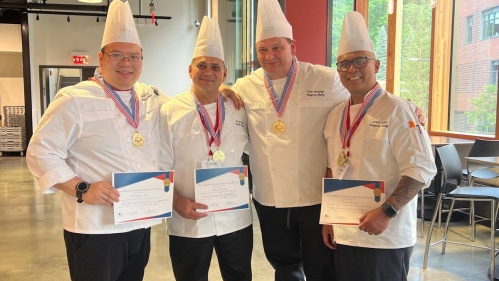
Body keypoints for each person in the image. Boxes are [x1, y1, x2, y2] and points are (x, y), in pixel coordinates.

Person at [25, 1, 169, 280]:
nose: (126, 63)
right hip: (96, 227)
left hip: (139, 219)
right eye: (117, 55)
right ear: (101, 58)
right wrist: (81, 188)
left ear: (142, 60)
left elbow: (186, 110)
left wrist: (224, 92)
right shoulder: (75, 99)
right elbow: (40, 152)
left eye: (134, 56)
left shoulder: (150, 96)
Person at [321, 11, 437, 281]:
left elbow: (421, 169)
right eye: (344, 64)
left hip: (385, 236)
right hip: (344, 231)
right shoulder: (336, 114)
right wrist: (328, 218)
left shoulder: (398, 109)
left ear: (377, 65)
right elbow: (332, 167)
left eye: (360, 60)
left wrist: (386, 212)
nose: (352, 69)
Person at [158, 16, 252, 281]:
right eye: (201, 66)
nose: (208, 72)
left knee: (240, 276)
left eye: (215, 67)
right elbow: (159, 164)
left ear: (224, 73)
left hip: (235, 219)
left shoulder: (238, 107)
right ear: (190, 70)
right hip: (189, 219)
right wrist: (175, 202)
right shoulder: (169, 111)